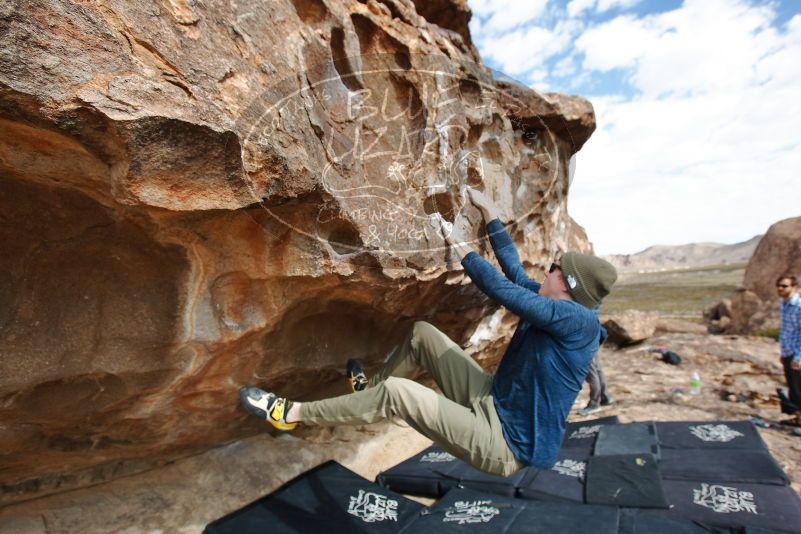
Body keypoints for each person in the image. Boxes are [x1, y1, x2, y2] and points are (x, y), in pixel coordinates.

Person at [239, 188, 617, 475]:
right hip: (492, 401)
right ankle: (371, 394)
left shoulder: (578, 322)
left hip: (507, 444)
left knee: (401, 393)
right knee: (423, 334)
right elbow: (515, 274)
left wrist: (460, 247)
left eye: (554, 266)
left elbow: (503, 290)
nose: (547, 269)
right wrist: (491, 217)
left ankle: (290, 412)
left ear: (566, 284)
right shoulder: (562, 306)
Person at [777, 274, 801, 425]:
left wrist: (799, 357)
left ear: (794, 287)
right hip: (787, 351)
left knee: (799, 388)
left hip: (796, 354)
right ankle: (798, 418)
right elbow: (787, 330)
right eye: (779, 285)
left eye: (784, 286)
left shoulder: (799, 306)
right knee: (793, 388)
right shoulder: (784, 305)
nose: (780, 288)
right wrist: (783, 352)